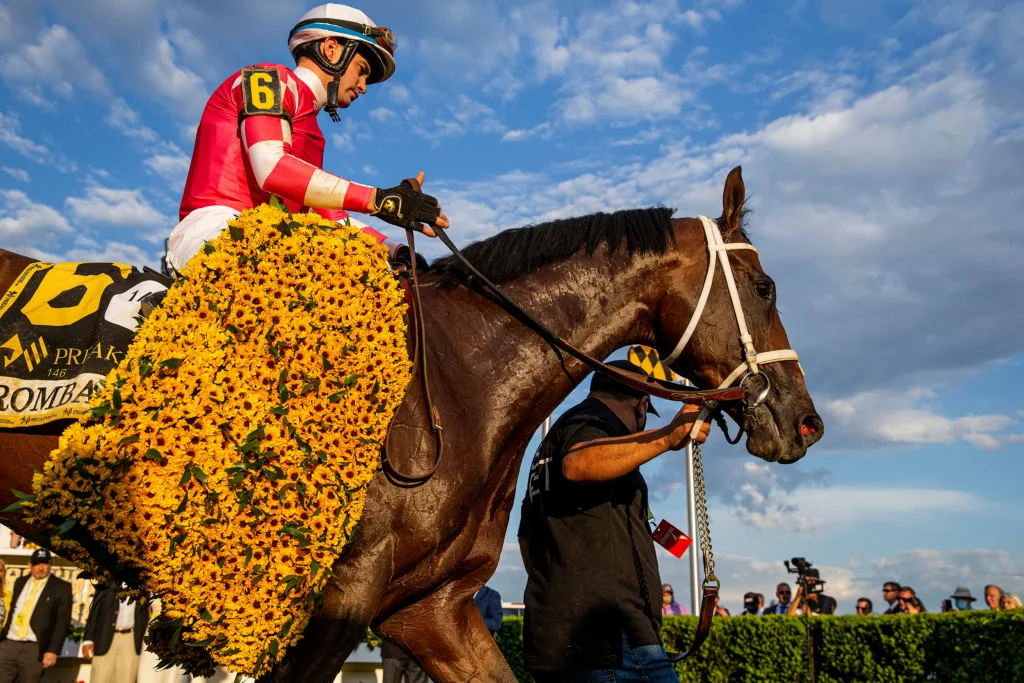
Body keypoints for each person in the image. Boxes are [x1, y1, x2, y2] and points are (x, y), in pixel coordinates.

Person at [167, 3, 450, 276]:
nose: (363, 87)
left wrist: (393, 249)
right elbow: (272, 168)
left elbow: (325, 214)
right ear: (331, 48)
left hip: (276, 236)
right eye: (362, 70)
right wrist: (380, 200)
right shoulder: (267, 78)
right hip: (214, 228)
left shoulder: (313, 132)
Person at [517, 359, 711, 682]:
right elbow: (578, 463)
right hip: (611, 639)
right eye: (645, 416)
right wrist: (665, 436)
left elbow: (527, 540)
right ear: (641, 403)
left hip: (558, 641)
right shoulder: (593, 420)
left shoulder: (548, 447)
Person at [0, 549, 73, 683]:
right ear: (30, 564)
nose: (41, 567)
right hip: (9, 643)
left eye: (45, 563)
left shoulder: (61, 587)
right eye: (37, 563)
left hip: (34, 646)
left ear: (50, 564)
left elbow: (62, 622)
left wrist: (53, 650)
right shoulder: (20, 582)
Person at [82, 583, 149, 683]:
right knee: (100, 677)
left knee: (127, 678)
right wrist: (88, 640)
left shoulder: (143, 584)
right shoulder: (106, 582)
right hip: (105, 636)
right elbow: (94, 611)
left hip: (131, 639)